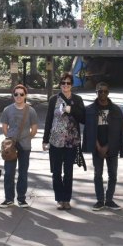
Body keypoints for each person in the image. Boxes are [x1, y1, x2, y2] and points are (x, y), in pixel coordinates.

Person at [43, 73, 85, 210]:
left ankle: (66, 199)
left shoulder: (77, 99)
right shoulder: (53, 99)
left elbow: (83, 118)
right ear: (60, 84)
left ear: (71, 84)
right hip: (55, 140)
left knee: (68, 171)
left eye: (68, 83)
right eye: (63, 83)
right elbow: (48, 120)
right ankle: (59, 198)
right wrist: (45, 140)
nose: (65, 85)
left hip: (71, 141)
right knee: (56, 171)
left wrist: (71, 110)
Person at [83, 82, 123, 211]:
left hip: (112, 147)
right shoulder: (90, 109)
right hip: (97, 148)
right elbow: (89, 131)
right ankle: (100, 200)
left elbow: (119, 131)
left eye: (105, 91)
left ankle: (109, 200)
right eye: (99, 91)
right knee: (98, 174)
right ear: (96, 92)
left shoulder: (116, 109)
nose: (102, 93)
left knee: (112, 174)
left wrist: (107, 146)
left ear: (108, 92)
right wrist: (98, 146)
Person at [0, 85, 38, 208]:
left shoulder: (31, 111)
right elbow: (5, 128)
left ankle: (21, 199)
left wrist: (27, 138)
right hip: (10, 147)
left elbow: (34, 129)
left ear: (25, 95)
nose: (19, 96)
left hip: (25, 146)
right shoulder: (7, 110)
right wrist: (11, 140)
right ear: (13, 95)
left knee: (23, 173)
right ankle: (8, 199)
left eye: (21, 94)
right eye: (16, 94)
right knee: (9, 172)